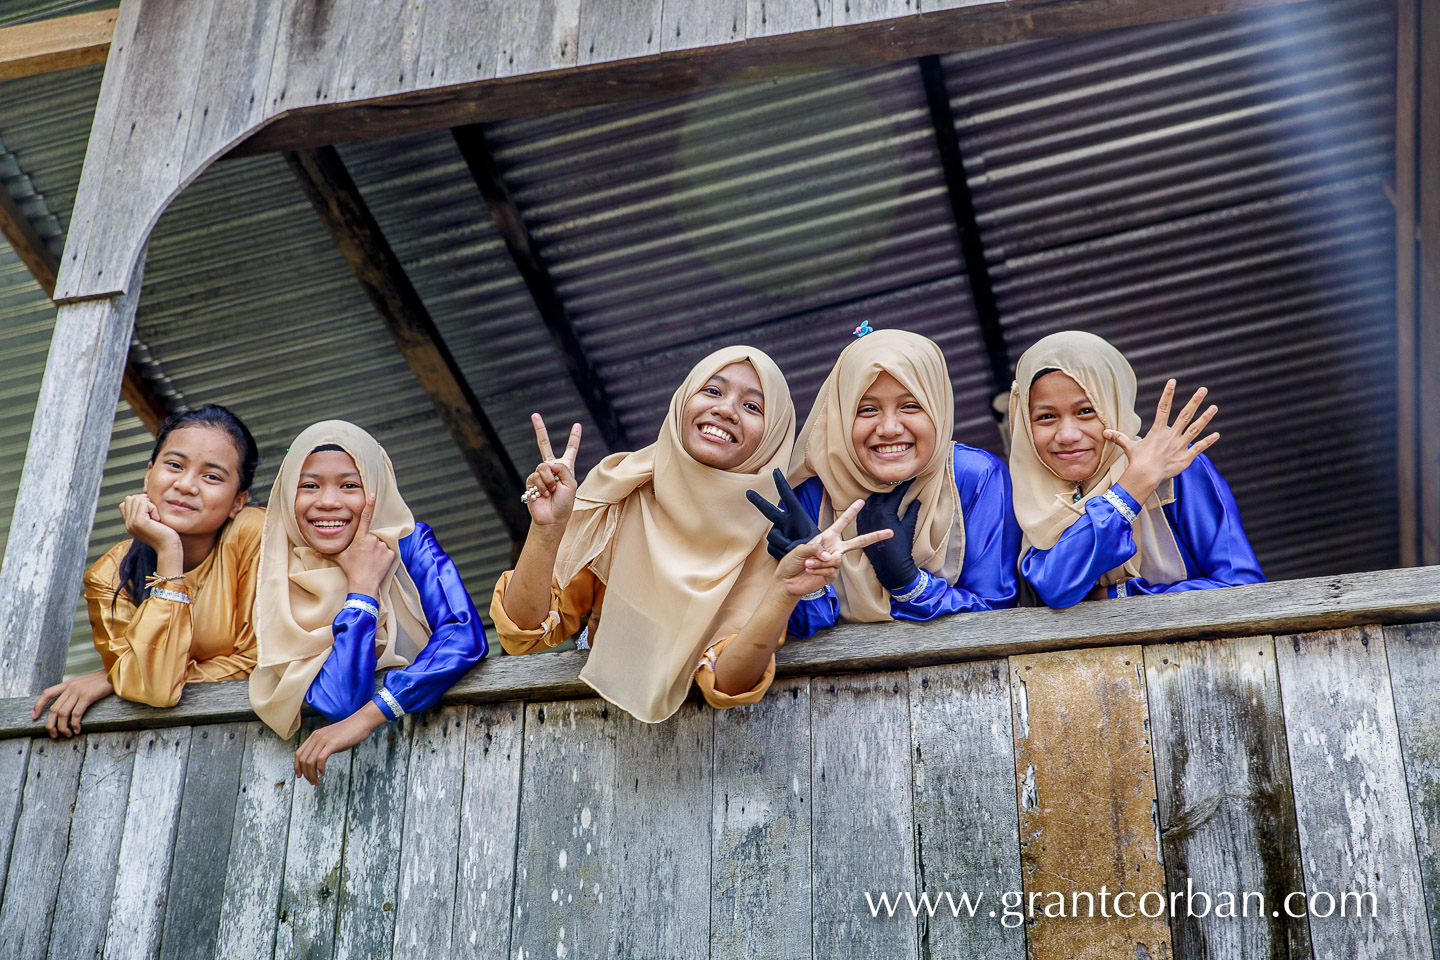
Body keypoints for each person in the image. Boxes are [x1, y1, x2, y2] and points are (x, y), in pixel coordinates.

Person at [491, 345, 891, 722]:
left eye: (752, 406)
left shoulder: (773, 536)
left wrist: (784, 592)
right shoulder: (618, 491)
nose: (725, 410)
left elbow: (727, 683)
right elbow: (522, 635)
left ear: (773, 438)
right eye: (712, 390)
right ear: (683, 402)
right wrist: (546, 530)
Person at [248, 421, 486, 784]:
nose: (328, 501)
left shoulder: (407, 545)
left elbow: (464, 636)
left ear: (376, 487)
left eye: (349, 485)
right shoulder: (276, 575)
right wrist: (362, 590)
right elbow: (339, 699)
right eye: (309, 486)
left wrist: (368, 718)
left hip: (443, 764)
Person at [751, 328, 1019, 633]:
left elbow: (999, 614)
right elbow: (801, 633)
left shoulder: (975, 476)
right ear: (840, 416)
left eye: (910, 405)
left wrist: (907, 582)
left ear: (938, 407)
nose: (889, 428)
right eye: (867, 409)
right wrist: (806, 579)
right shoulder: (814, 490)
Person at [32, 404, 263, 736]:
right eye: (174, 465)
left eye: (211, 476)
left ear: (238, 501)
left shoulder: (254, 534)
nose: (186, 485)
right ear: (148, 473)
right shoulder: (110, 575)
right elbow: (156, 689)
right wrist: (169, 548)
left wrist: (116, 677)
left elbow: (259, 663)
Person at [1009, 330, 1264, 608]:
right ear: (1025, 423)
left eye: (1086, 411)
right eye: (1046, 417)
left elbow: (1242, 587)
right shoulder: (1026, 500)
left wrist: (1123, 596)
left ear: (1114, 404)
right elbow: (1056, 587)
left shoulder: (1173, 469)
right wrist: (1131, 488)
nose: (1067, 435)